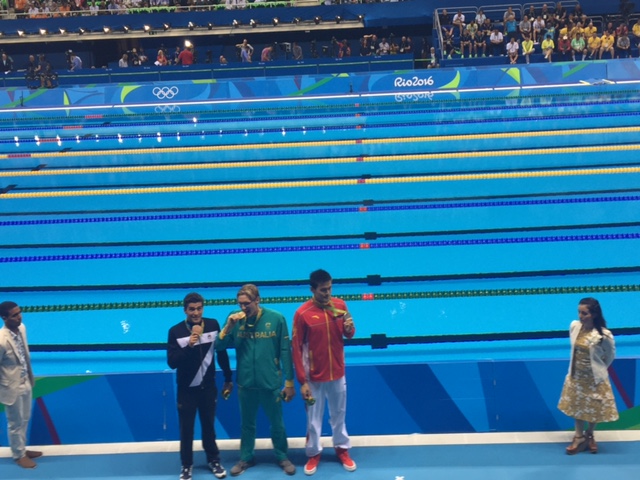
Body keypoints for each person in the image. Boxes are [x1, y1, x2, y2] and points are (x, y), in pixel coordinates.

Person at [217, 284, 296, 477]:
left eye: (247, 303)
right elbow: (218, 347)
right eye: (240, 304)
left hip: (270, 382)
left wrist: (289, 382)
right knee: (247, 425)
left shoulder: (276, 318)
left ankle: (282, 456)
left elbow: (285, 351)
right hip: (246, 383)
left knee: (277, 423)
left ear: (258, 300)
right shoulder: (234, 319)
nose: (243, 308)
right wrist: (228, 327)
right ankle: (246, 457)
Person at [292, 269, 357, 476]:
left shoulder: (341, 306)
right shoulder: (302, 314)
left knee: (339, 414)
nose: (328, 293)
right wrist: (302, 381)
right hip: (313, 376)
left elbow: (349, 334)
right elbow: (296, 348)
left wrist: (350, 328)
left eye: (329, 288)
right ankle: (313, 453)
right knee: (313, 419)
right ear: (312, 290)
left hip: (337, 371)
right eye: (323, 290)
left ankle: (342, 448)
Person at [167, 293, 233, 480]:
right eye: (191, 309)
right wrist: (189, 345)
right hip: (186, 390)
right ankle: (186, 465)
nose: (195, 313)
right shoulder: (176, 331)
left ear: (203, 309)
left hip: (208, 388)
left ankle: (214, 460)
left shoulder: (212, 325)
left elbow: (221, 353)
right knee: (186, 429)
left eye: (199, 308)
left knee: (209, 427)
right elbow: (172, 362)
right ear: (185, 311)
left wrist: (228, 377)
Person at [558, 298, 618, 455]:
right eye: (579, 312)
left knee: (594, 407)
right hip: (576, 376)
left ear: (594, 314)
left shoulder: (604, 335)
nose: (580, 316)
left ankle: (589, 434)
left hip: (594, 378)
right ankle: (578, 437)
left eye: (584, 313)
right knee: (577, 407)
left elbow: (610, 355)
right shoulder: (574, 327)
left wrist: (599, 369)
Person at [0, 301, 42, 469]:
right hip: (12, 386)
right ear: (4, 318)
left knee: (25, 418)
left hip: (25, 381)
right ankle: (18, 455)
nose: (19, 317)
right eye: (14, 315)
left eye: (19, 313)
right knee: (15, 423)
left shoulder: (22, 329)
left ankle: (22, 448)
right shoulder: (1, 341)